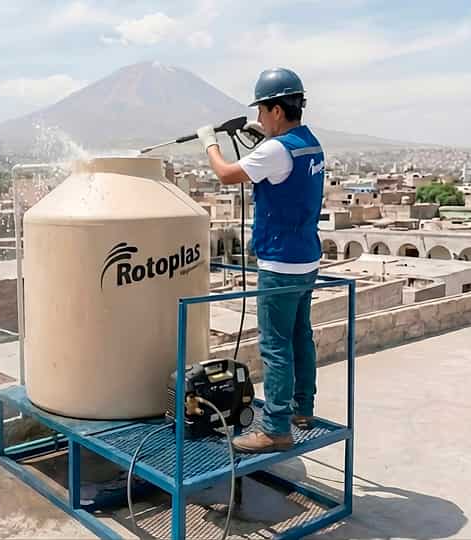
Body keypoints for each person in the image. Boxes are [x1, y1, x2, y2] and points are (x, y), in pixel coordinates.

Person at [195, 67, 325, 454]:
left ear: (277, 111)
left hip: (280, 263)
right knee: (301, 336)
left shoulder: (275, 150)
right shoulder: (310, 144)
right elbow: (285, 173)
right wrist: (262, 140)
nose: (261, 119)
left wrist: (208, 144)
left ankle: (276, 428)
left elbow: (225, 175)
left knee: (275, 345)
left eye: (263, 112)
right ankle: (303, 408)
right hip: (306, 259)